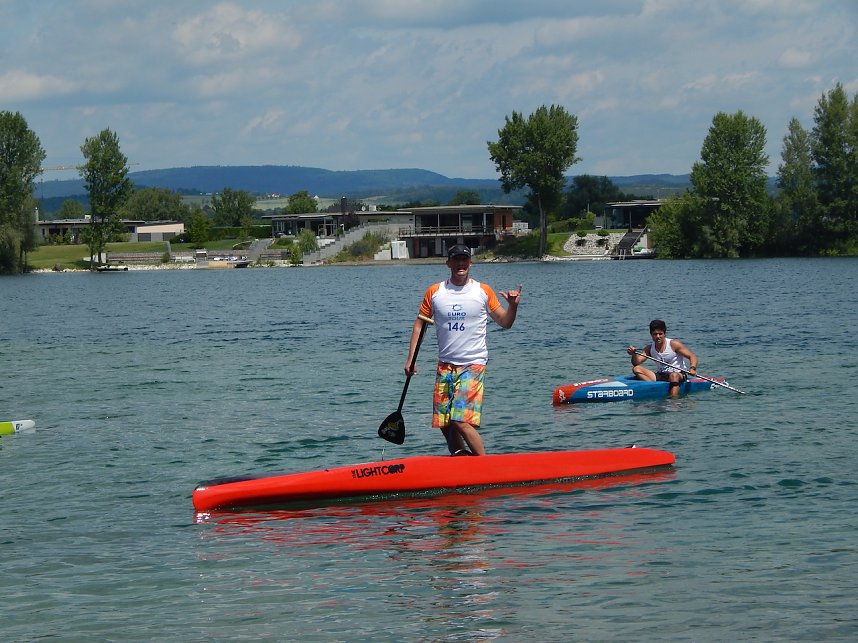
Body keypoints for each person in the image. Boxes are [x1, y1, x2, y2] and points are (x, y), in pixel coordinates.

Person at [404, 244, 521, 456]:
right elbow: (419, 325)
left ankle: (485, 467)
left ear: (470, 263)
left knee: (460, 419)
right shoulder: (435, 292)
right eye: (456, 260)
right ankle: (461, 459)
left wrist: (512, 306)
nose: (460, 264)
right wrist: (411, 359)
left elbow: (505, 322)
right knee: (444, 422)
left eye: (464, 260)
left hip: (473, 364)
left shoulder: (482, 291)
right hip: (445, 364)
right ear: (448, 263)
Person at [627, 319, 698, 398]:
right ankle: (654, 388)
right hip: (661, 375)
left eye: (660, 334)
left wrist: (693, 368)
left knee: (673, 376)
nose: (658, 337)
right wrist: (633, 354)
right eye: (655, 334)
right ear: (651, 334)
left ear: (665, 334)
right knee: (636, 369)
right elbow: (636, 362)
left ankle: (673, 401)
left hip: (678, 374)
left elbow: (692, 356)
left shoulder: (673, 344)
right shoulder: (649, 348)